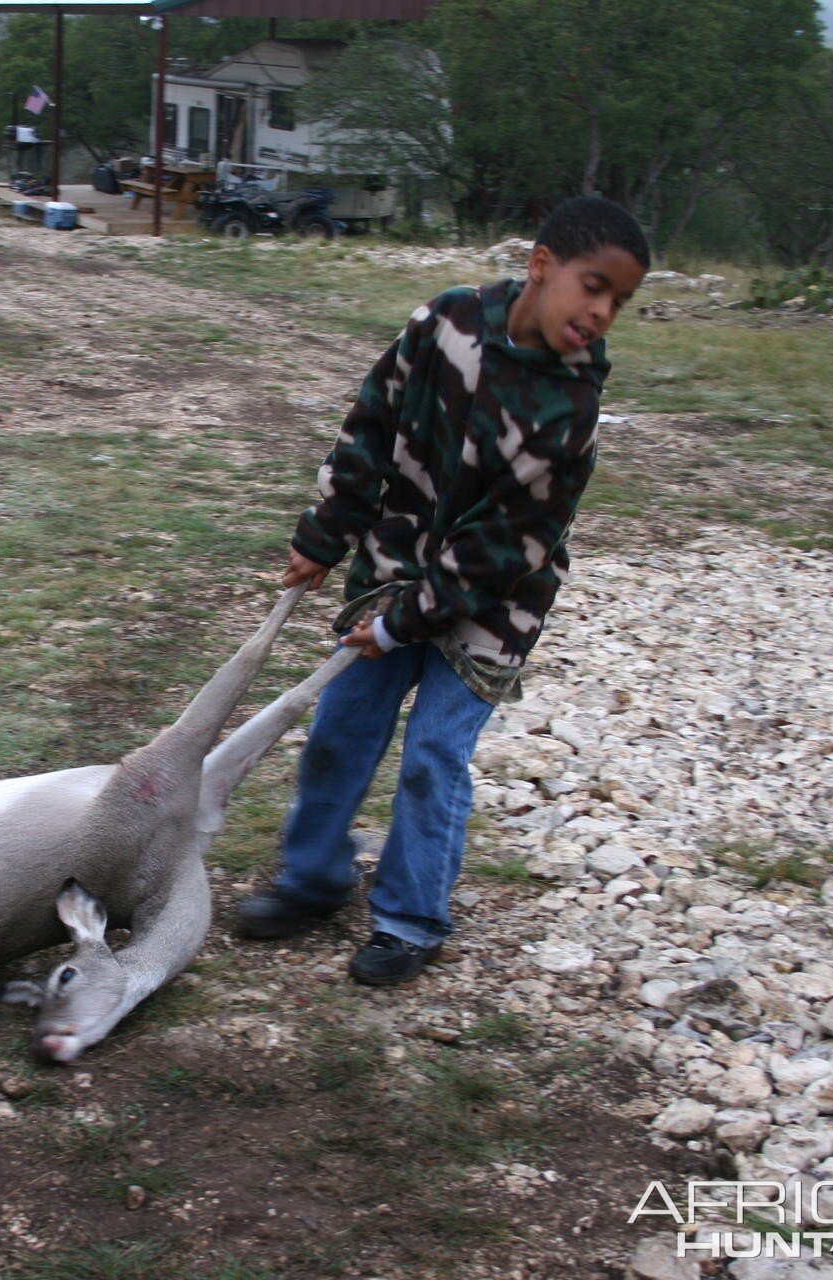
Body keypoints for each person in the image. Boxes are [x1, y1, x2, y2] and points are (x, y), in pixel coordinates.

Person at [236, 196, 651, 987]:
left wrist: (403, 627)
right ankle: (313, 880)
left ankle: (409, 918)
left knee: (433, 755)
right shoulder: (444, 324)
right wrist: (325, 533)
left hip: (492, 606)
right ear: (540, 264)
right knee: (341, 730)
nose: (600, 312)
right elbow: (372, 425)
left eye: (619, 302)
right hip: (393, 570)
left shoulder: (571, 414)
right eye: (592, 286)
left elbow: (501, 549)